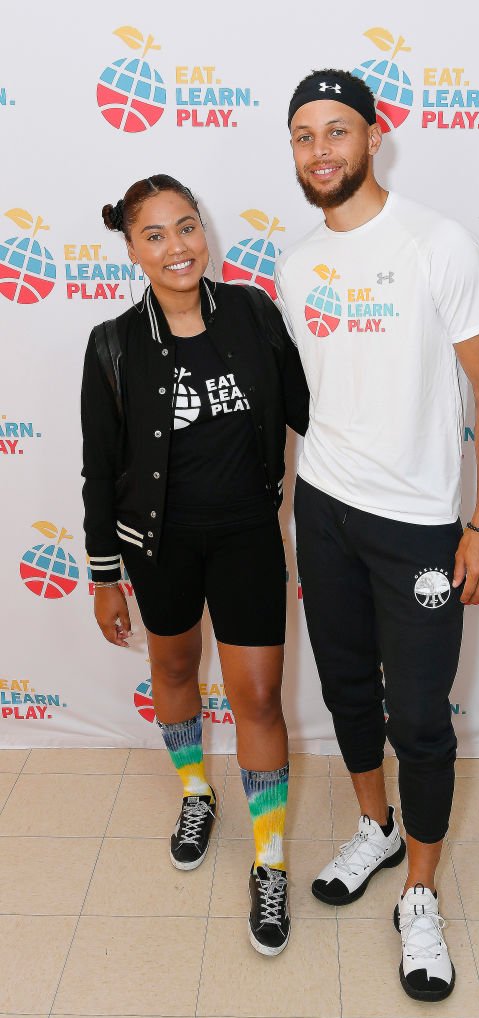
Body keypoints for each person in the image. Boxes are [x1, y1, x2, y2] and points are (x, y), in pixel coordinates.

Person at [275, 71, 479, 1000]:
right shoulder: (296, 266)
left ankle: (420, 891)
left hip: (419, 523)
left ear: (374, 137)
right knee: (345, 693)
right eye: (303, 135)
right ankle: (375, 828)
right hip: (325, 511)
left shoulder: (436, 242)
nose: (321, 150)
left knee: (420, 716)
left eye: (337, 131)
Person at [81, 174, 309, 957]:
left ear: (203, 232)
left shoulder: (251, 313)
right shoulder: (112, 344)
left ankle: (270, 859)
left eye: (187, 227)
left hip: (247, 535)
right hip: (157, 546)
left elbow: (307, 408)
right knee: (174, 670)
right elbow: (99, 467)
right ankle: (194, 791)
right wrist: (103, 572)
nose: (177, 247)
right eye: (156, 235)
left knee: (259, 697)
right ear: (133, 249)